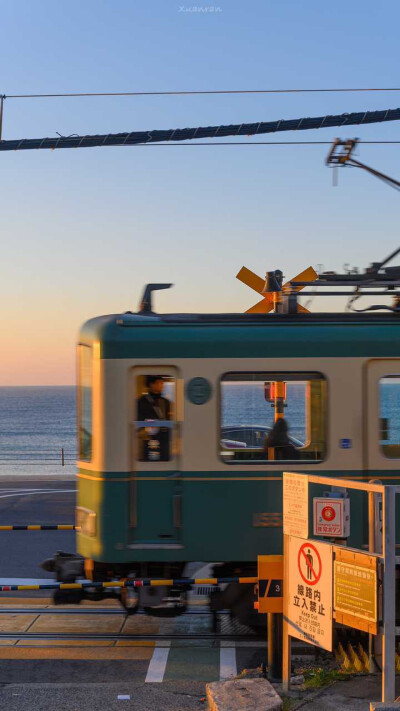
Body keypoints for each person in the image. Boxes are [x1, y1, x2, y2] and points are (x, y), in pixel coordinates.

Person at [137, 376, 171, 461]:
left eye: (162, 383)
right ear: (151, 384)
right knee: (150, 459)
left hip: (163, 438)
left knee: (164, 459)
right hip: (149, 438)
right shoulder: (141, 401)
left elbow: (168, 419)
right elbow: (139, 419)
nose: (162, 385)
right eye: (159, 383)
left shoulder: (166, 402)